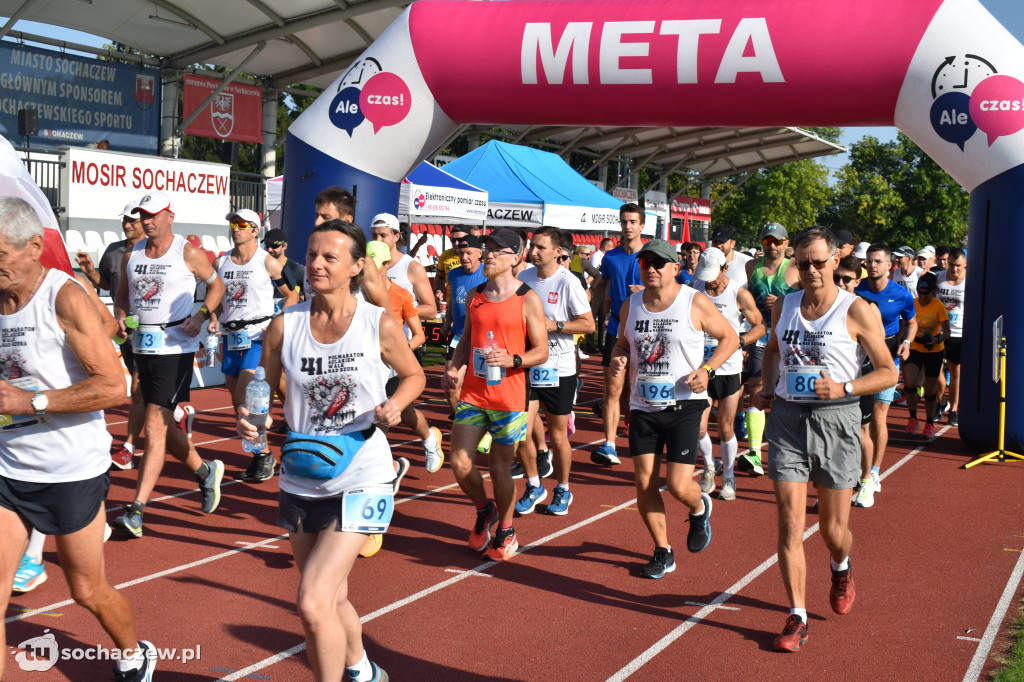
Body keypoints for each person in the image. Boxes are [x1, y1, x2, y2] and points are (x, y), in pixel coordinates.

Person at [237, 219, 424, 682]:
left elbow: (415, 375)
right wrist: (254, 417)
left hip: (363, 471)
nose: (316, 264)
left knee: (312, 600)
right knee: (332, 597)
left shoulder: (375, 322)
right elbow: (263, 385)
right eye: (313, 254)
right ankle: (363, 671)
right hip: (302, 472)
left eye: (330, 257)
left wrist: (395, 405)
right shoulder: (285, 325)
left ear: (357, 266)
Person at [0, 196, 156, 681]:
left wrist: (30, 403)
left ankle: (134, 653)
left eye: (0, 252)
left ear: (31, 249)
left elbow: (114, 386)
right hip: (8, 469)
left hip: (71, 471)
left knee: (86, 590)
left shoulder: (63, 297)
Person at [754, 226, 896, 652]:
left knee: (834, 529)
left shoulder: (856, 310)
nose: (811, 270)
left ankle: (841, 565)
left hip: (836, 420)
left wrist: (845, 388)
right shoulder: (786, 305)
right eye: (802, 263)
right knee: (790, 524)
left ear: (836, 261)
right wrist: (766, 385)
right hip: (788, 419)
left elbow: (887, 372)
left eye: (818, 261)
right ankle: (797, 615)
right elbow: (773, 349)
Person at [607, 239, 738, 579]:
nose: (650, 268)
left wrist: (707, 371)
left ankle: (698, 507)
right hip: (643, 406)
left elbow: (730, 338)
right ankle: (663, 550)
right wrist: (620, 356)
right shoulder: (631, 304)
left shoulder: (693, 301)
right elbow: (623, 343)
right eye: (645, 262)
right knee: (644, 483)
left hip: (684, 404)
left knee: (678, 485)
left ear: (676, 268)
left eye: (659, 263)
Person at [112, 191, 226, 538]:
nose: (147, 220)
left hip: (176, 348)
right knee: (161, 426)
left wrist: (202, 314)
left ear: (169, 216)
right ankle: (206, 471)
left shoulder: (186, 252)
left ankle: (137, 510)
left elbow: (217, 285)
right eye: (142, 215)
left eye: (152, 214)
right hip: (141, 345)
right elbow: (122, 297)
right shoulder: (131, 254)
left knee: (153, 424)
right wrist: (120, 316)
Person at [442, 228, 549, 562]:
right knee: (459, 462)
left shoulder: (526, 298)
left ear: (514, 257)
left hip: (510, 398)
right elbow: (467, 338)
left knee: (500, 468)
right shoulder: (475, 294)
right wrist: (455, 367)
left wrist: (514, 359)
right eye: (486, 248)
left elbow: (542, 351)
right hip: (474, 394)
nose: (487, 254)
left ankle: (506, 528)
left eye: (495, 250)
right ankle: (483, 508)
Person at [211, 209, 299, 483]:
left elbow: (292, 294)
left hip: (257, 339)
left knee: (250, 401)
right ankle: (263, 455)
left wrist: (277, 325)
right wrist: (213, 318)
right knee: (239, 406)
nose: (235, 228)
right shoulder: (220, 262)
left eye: (241, 224)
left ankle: (263, 456)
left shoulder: (267, 262)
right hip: (230, 338)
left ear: (255, 230)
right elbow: (213, 296)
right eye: (232, 224)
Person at [515, 227, 594, 517]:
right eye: (532, 246)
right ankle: (535, 484)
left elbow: (588, 325)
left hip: (559, 369)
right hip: (529, 364)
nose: (533, 252)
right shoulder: (523, 278)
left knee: (558, 436)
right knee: (520, 431)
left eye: (540, 247)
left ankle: (563, 487)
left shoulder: (568, 282)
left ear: (558, 252)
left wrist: (556, 325)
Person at [76, 199, 146, 470]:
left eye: (132, 221)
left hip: (148, 331)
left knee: (138, 387)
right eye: (125, 221)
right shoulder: (114, 250)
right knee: (141, 387)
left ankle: (128, 447)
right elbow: (107, 283)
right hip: (123, 330)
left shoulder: (151, 251)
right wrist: (90, 272)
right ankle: (176, 411)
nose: (127, 225)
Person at [367, 240, 444, 475]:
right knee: (396, 413)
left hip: (392, 364)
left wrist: (400, 351)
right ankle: (427, 438)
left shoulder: (400, 294)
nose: (370, 269)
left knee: (385, 416)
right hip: (366, 363)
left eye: (376, 264)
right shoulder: (356, 292)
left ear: (386, 264)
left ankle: (392, 468)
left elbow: (420, 335)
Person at [693, 247, 764, 500]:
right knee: (698, 428)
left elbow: (760, 325)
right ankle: (710, 467)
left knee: (725, 428)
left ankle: (730, 477)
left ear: (725, 268)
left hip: (729, 368)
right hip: (701, 366)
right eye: (704, 274)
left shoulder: (739, 293)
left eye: (713, 274)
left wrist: (740, 342)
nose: (708, 280)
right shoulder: (695, 289)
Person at [852, 244, 916, 508]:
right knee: (859, 419)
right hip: (861, 356)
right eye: (869, 261)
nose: (872, 265)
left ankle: (874, 472)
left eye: (878, 261)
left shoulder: (901, 294)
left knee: (879, 415)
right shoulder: (857, 290)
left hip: (888, 356)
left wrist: (908, 343)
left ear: (890, 265)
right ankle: (859, 467)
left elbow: (911, 320)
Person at [740, 222, 800, 474]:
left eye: (777, 241)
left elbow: (809, 295)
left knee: (789, 395)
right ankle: (754, 452)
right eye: (767, 241)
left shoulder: (796, 266)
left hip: (790, 338)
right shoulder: (751, 266)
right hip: (762, 335)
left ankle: (789, 449)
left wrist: (783, 301)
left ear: (786, 243)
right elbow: (748, 300)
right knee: (756, 389)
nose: (772, 246)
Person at [591, 204, 645, 466]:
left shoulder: (652, 256)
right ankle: (609, 445)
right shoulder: (610, 258)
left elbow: (673, 287)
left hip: (646, 332)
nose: (628, 226)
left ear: (641, 226)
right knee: (612, 389)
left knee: (635, 390)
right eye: (624, 221)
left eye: (633, 222)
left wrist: (646, 288)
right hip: (616, 329)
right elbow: (602, 285)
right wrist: (590, 317)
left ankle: (638, 430)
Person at [311, 186, 392, 317]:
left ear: (347, 220)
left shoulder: (362, 261)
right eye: (316, 215)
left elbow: (386, 314)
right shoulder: (313, 256)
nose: (317, 222)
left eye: (326, 217)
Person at [442, 234, 488, 415]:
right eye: (461, 253)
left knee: (483, 390)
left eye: (469, 253)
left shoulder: (487, 274)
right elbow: (454, 299)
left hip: (483, 340)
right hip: (459, 337)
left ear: (479, 254)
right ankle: (461, 421)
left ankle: (479, 427)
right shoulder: (453, 274)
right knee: (450, 385)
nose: (464, 257)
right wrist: (448, 320)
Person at [904, 273, 949, 438]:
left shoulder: (938, 306)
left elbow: (947, 332)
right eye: (920, 292)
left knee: (930, 391)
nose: (922, 296)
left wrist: (936, 339)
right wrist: (904, 342)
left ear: (933, 292)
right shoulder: (912, 304)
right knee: (910, 383)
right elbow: (904, 326)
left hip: (934, 350)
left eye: (926, 293)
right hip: (915, 346)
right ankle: (913, 418)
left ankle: (929, 423)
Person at [371, 212, 437, 324]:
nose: (378, 240)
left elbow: (431, 311)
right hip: (373, 338)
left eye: (383, 235)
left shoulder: (412, 267)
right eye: (374, 235)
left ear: (396, 237)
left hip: (404, 339)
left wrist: (398, 309)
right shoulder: (366, 264)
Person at [936, 248, 966, 425]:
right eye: (952, 265)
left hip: (959, 332)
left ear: (965, 264)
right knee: (935, 371)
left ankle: (954, 409)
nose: (954, 269)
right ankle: (942, 402)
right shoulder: (939, 277)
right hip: (940, 331)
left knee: (956, 372)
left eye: (958, 266)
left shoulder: (969, 280)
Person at [434, 224, 482, 310]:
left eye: (459, 240)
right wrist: (438, 291)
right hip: (452, 305)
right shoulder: (445, 255)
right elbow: (439, 277)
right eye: (453, 240)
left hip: (476, 306)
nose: (456, 243)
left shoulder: (478, 256)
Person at [262, 227, 306, 313]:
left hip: (287, 319)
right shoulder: (260, 267)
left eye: (274, 246)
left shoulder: (297, 269)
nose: (269, 249)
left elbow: (310, 296)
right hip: (264, 319)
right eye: (266, 246)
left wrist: (297, 301)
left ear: (284, 246)